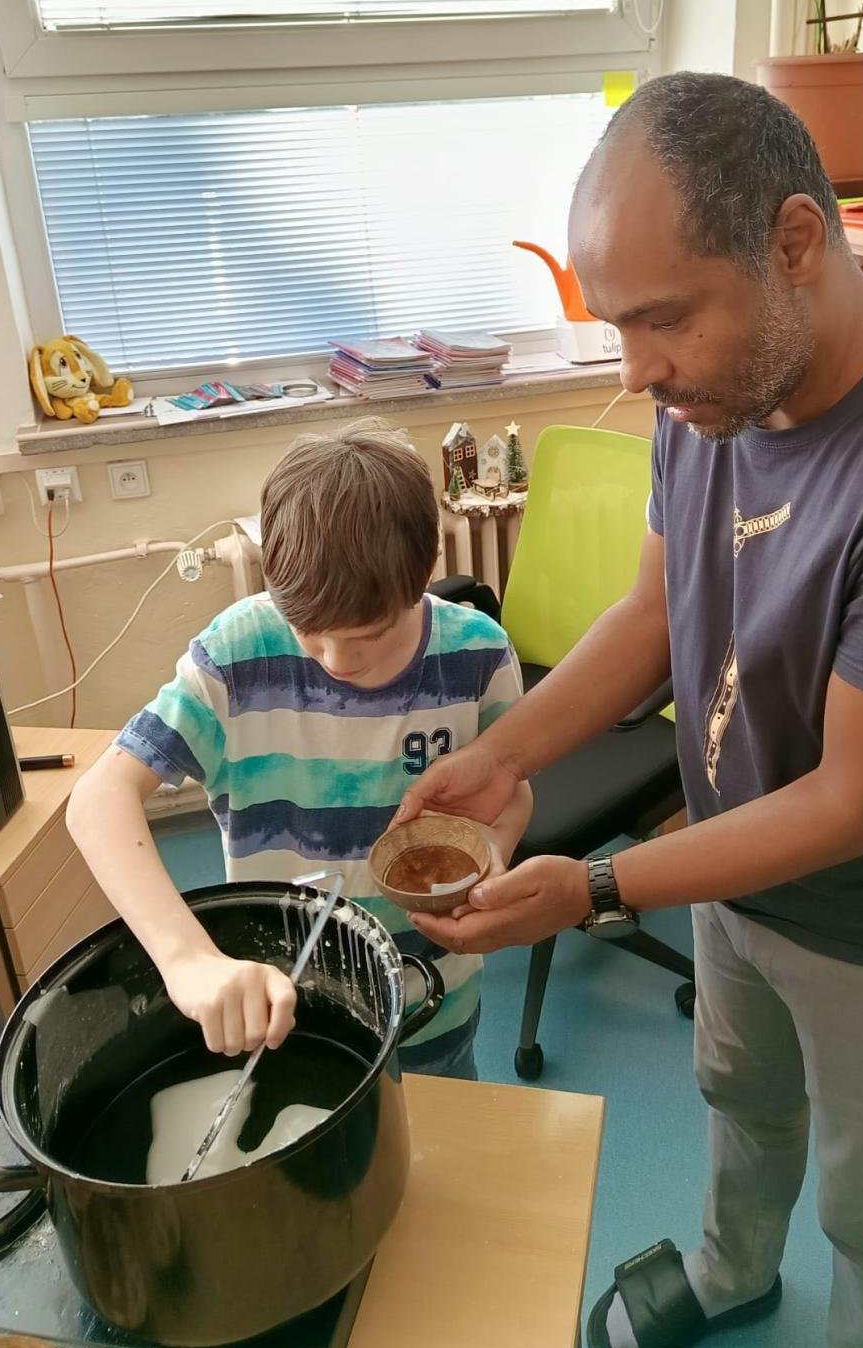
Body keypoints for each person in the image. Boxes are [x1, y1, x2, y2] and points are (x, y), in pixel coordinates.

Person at [395, 73, 863, 1348]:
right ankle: (732, 1266)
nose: (637, 371)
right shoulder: (709, 399)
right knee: (739, 1099)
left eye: (663, 319)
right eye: (618, 325)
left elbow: (851, 805)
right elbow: (654, 615)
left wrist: (600, 886)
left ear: (795, 243)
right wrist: (502, 752)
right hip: (732, 877)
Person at [69, 421, 531, 1079]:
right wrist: (186, 958)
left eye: (369, 635)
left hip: (433, 998)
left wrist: (490, 853)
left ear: (426, 568)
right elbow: (98, 800)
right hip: (292, 1006)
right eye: (310, 632)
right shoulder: (238, 656)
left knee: (444, 1128)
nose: (337, 661)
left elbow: (510, 793)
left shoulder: (477, 654)